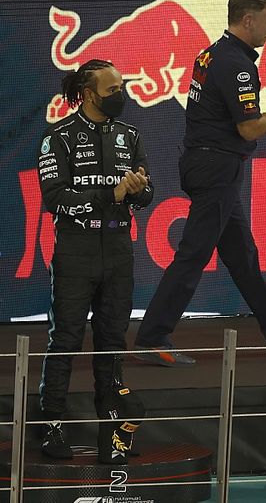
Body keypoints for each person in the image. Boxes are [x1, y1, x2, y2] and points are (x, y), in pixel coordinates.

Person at [134, 0, 266, 366]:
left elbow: (231, 118)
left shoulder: (211, 53)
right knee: (193, 255)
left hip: (209, 162)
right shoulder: (238, 64)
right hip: (217, 168)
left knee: (242, 255)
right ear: (247, 19)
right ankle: (152, 335)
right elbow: (248, 130)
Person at [37, 59, 153, 460]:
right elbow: (55, 201)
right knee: (65, 339)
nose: (120, 95)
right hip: (75, 252)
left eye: (121, 86)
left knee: (112, 343)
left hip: (119, 250)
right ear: (87, 94)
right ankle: (51, 425)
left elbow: (145, 193)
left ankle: (113, 431)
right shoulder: (58, 138)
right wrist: (113, 194)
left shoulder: (130, 135)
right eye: (112, 90)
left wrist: (138, 190)